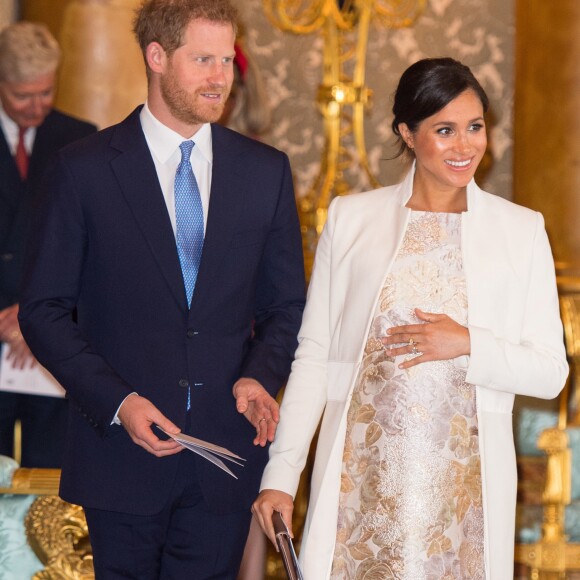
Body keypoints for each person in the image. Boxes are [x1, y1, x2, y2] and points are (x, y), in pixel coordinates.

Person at [18, 0, 305, 578]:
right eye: (203, 60)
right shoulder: (84, 169)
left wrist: (259, 373)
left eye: (225, 60)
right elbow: (44, 311)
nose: (220, 77)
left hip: (224, 456)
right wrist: (120, 403)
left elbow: (285, 305)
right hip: (121, 457)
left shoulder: (265, 170)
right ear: (156, 56)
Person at [253, 57, 569, 579]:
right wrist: (282, 474)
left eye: (474, 127)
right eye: (444, 130)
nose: (464, 146)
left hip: (463, 496)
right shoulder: (352, 219)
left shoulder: (521, 231)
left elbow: (551, 373)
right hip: (360, 485)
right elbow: (315, 358)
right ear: (407, 131)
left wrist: (468, 342)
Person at [0, 21, 96, 467]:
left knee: (48, 490)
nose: (37, 106)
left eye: (46, 92)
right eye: (23, 95)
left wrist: (33, 314)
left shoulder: (78, 138)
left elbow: (92, 244)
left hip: (50, 343)